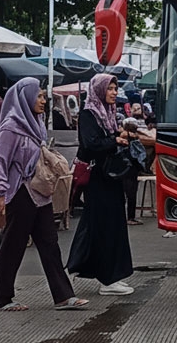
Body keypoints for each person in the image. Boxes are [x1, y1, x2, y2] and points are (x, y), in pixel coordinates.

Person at [0, 77, 88, 312]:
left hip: (39, 192)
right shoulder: (11, 127)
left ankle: (63, 296)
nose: (43, 100)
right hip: (20, 192)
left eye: (44, 96)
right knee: (13, 244)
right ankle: (1, 297)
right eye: (39, 96)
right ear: (25, 98)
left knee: (49, 243)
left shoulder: (36, 124)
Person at [66, 73, 135, 296]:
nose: (114, 92)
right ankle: (108, 279)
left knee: (101, 225)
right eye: (110, 88)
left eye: (115, 88)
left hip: (110, 178)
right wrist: (114, 140)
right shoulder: (89, 114)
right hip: (98, 179)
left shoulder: (108, 114)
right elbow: (91, 143)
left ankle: (86, 269)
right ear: (99, 90)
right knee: (105, 226)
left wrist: (119, 136)